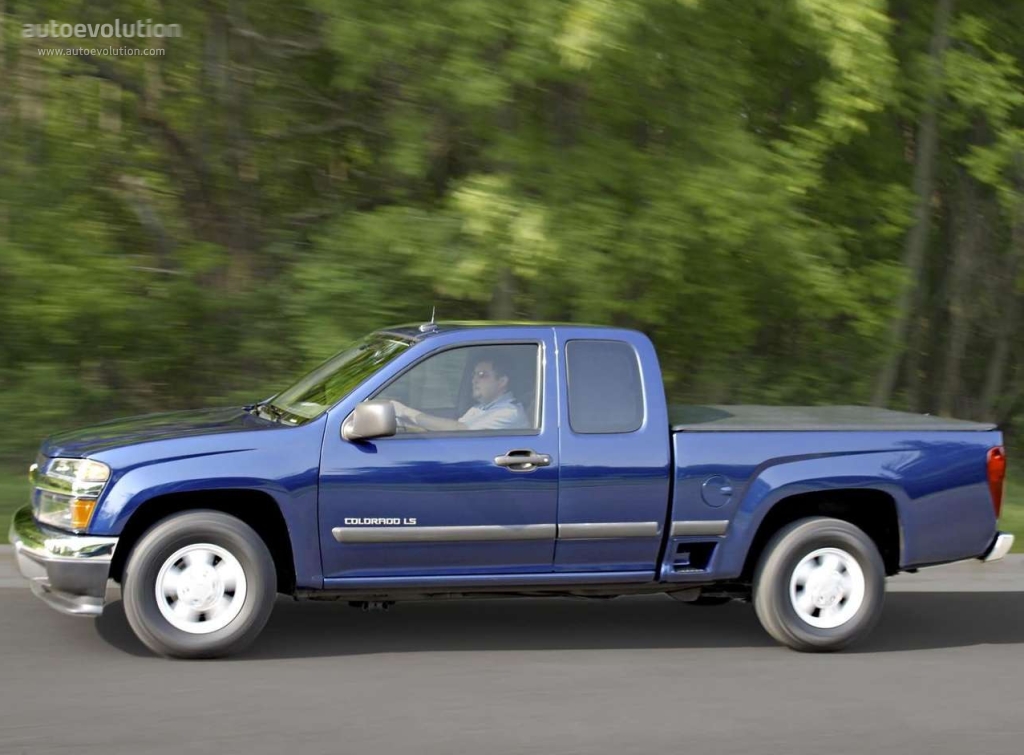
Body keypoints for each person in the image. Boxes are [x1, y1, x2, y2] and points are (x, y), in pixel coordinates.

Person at [390, 354, 530, 431]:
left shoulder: (509, 412)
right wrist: (405, 425)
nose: (474, 380)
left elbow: (459, 430)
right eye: (474, 374)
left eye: (482, 375)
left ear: (502, 381)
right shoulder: (481, 407)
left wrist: (404, 411)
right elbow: (448, 431)